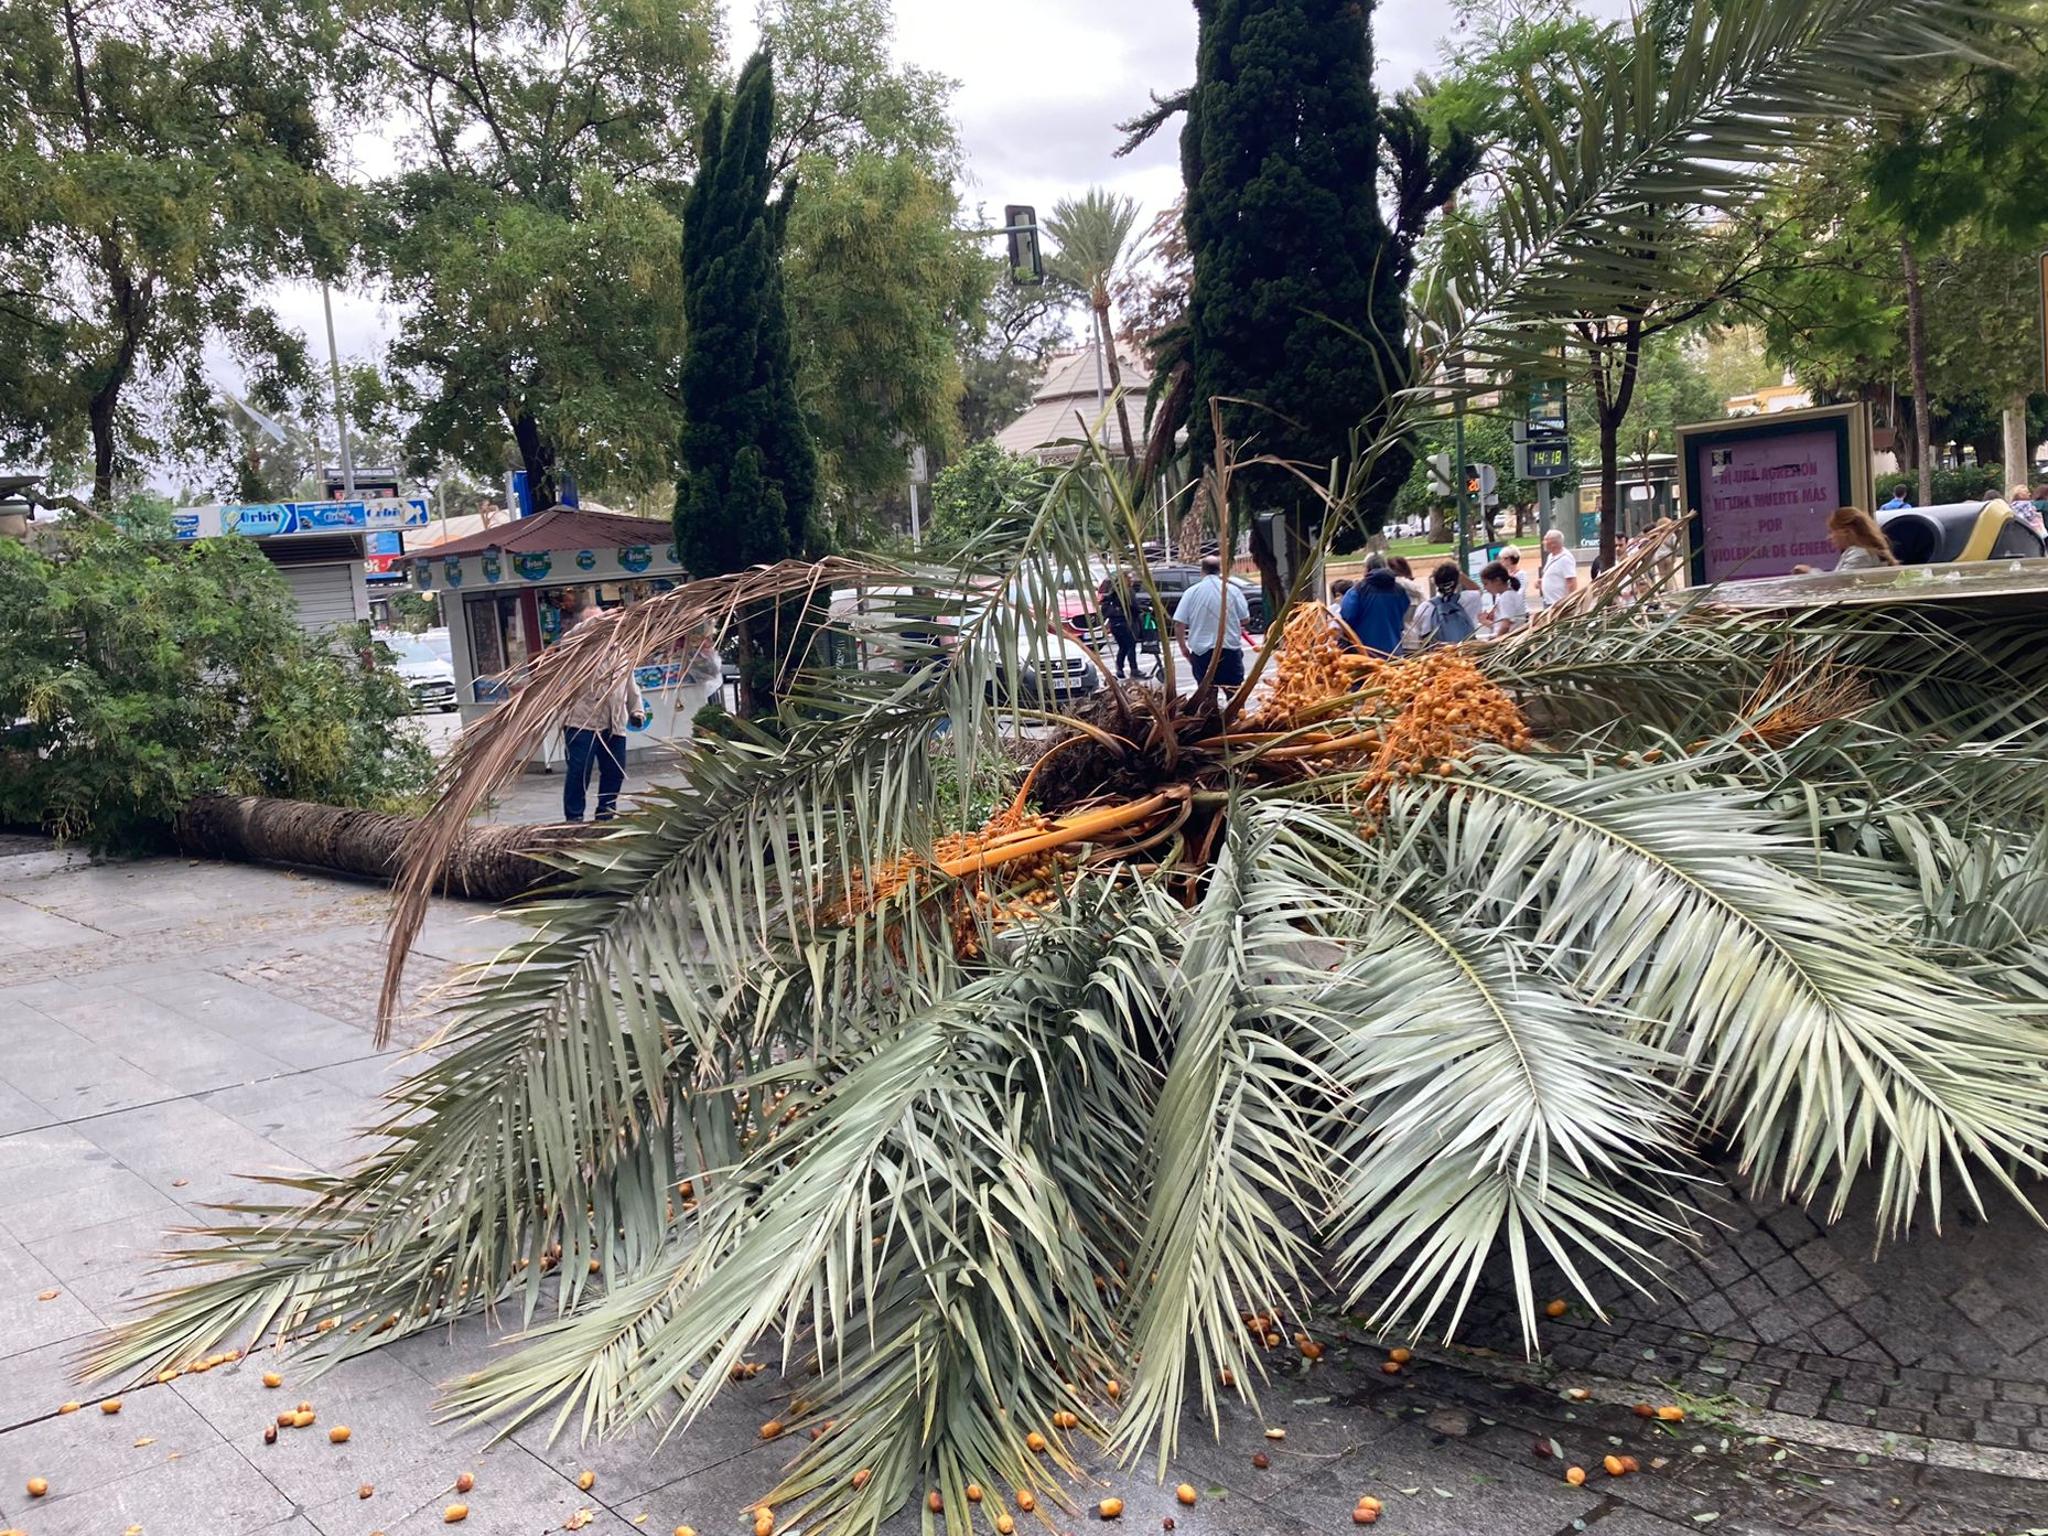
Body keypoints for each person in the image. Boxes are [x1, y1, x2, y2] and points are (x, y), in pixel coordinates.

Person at [558, 591, 643, 823]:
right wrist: (601, 619)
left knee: (614, 771)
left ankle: (607, 812)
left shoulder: (619, 651)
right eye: (596, 622)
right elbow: (575, 635)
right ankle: (574, 817)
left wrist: (637, 710)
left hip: (613, 723)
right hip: (582, 722)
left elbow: (630, 683)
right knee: (579, 771)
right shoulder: (575, 647)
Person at [1171, 553, 1251, 693]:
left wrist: (1184, 648)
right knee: (1234, 693)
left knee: (1206, 695)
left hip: (1202, 652)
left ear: (1202, 571)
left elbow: (1179, 623)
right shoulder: (1232, 590)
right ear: (1219, 570)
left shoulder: (1191, 592)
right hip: (1229, 649)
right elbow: (1245, 619)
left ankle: (1210, 713)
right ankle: (1235, 715)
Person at [1339, 553, 1412, 658]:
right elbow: (1404, 609)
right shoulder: (1400, 590)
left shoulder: (1358, 590)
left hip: (1364, 653)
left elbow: (1347, 617)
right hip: (1393, 651)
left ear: (1367, 568)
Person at [1412, 561, 1479, 647]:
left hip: (1440, 658)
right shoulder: (1470, 599)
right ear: (1457, 580)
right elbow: (1476, 589)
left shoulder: (1425, 608)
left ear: (1435, 581)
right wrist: (1458, 574)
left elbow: (1420, 637)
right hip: (1468, 654)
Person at [1099, 577, 1140, 678]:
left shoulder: (1111, 595)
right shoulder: (1128, 592)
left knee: (1123, 647)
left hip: (1114, 624)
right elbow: (1135, 607)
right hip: (1125, 622)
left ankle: (1120, 669)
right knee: (1131, 645)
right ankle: (1134, 669)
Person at [1477, 559, 1528, 638]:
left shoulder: (1506, 597)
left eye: (1486, 584)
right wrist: (1485, 622)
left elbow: (1506, 626)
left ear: (1498, 580)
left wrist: (1494, 643)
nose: (1485, 588)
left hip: (1508, 642)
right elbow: (1500, 625)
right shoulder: (1507, 595)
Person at [1539, 529, 1578, 607]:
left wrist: (1568, 602)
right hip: (1549, 601)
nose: (1543, 543)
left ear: (1554, 544)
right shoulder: (1551, 556)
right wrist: (1542, 581)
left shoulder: (1565, 558)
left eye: (1546, 540)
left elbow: (1571, 582)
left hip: (1559, 604)